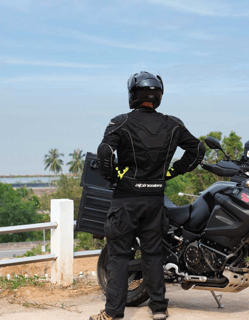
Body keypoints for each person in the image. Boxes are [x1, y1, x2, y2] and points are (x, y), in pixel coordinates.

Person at [90, 71, 205, 320]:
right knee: (153, 255)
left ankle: (112, 314)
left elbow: (104, 152)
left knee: (119, 256)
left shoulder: (120, 122)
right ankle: (159, 310)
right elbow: (198, 149)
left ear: (132, 94)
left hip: (126, 200)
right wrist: (171, 172)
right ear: (158, 96)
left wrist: (114, 178)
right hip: (155, 199)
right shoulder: (172, 124)